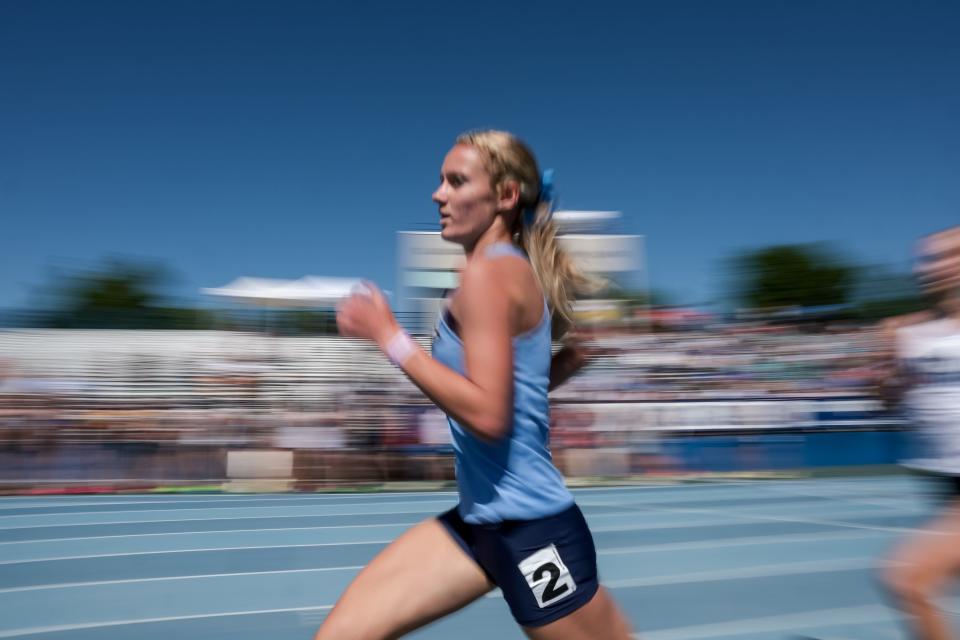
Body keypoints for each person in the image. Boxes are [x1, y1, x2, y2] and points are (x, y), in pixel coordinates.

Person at [316, 130, 633, 639]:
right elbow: (510, 396)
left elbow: (488, 416)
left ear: (505, 196)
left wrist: (389, 337)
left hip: (533, 535)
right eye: (440, 180)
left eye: (456, 181)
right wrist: (563, 366)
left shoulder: (491, 275)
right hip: (478, 525)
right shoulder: (493, 273)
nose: (437, 194)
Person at [880, 225, 960, 640]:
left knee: (908, 581)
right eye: (927, 258)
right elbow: (889, 402)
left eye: (950, 254)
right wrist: (889, 372)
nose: (934, 266)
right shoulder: (909, 334)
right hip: (942, 480)